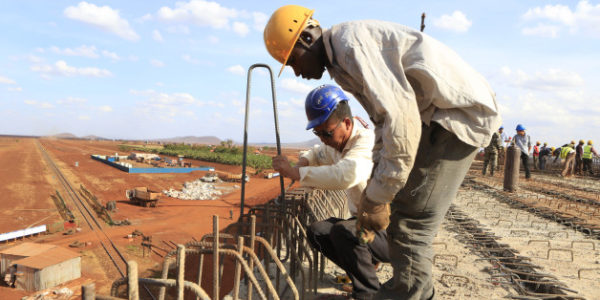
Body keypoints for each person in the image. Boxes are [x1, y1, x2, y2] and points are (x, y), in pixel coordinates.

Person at [264, 6, 502, 299]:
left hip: (455, 115)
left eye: (292, 61)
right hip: (435, 115)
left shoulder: (350, 47)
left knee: (411, 223)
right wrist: (377, 193)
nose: (297, 72)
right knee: (402, 217)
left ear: (308, 39)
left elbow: (401, 122)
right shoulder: (341, 59)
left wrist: (376, 199)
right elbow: (383, 126)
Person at [272, 85, 389, 299]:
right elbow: (317, 152)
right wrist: (304, 161)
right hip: (365, 225)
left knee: (344, 232)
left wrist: (295, 172)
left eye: (326, 133)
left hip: (391, 231)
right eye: (318, 133)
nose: (323, 139)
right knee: (318, 231)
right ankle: (365, 273)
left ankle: (368, 294)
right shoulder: (336, 144)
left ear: (346, 123)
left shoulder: (365, 142)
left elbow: (345, 176)